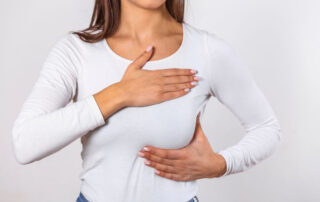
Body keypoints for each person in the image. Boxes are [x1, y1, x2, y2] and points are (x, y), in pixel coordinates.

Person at [11, 0, 282, 201]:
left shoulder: (208, 51)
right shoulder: (76, 51)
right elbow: (25, 144)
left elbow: (267, 128)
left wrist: (221, 165)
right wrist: (119, 94)